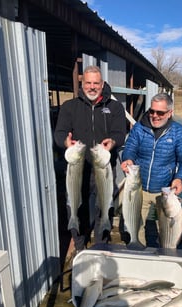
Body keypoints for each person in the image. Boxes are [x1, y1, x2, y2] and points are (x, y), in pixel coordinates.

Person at [54, 65, 126, 252]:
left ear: (102, 84)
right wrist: (65, 142)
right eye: (88, 83)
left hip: (103, 170)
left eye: (96, 83)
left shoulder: (115, 107)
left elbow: (120, 134)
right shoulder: (70, 107)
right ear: (82, 83)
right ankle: (79, 247)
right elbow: (59, 133)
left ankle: (101, 245)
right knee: (76, 208)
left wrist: (113, 142)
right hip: (78, 169)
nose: (92, 87)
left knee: (104, 208)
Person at [121, 92, 182, 247]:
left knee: (167, 232)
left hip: (165, 191)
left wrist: (180, 178)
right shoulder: (139, 128)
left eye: (160, 112)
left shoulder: (178, 132)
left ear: (170, 113)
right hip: (139, 188)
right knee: (134, 227)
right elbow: (130, 148)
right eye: (152, 111)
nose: (154, 116)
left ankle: (165, 256)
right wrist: (128, 158)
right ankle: (137, 252)